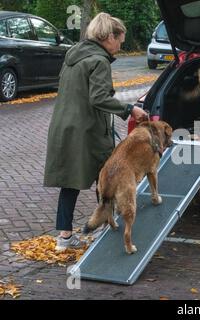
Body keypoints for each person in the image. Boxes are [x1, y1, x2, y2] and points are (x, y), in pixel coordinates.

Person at [44, 13, 148, 251]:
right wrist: (129, 109)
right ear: (109, 37)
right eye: (120, 40)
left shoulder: (74, 55)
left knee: (69, 182)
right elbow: (99, 97)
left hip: (64, 127)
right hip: (88, 131)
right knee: (109, 174)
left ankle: (65, 237)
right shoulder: (99, 61)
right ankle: (106, 226)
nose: (120, 46)